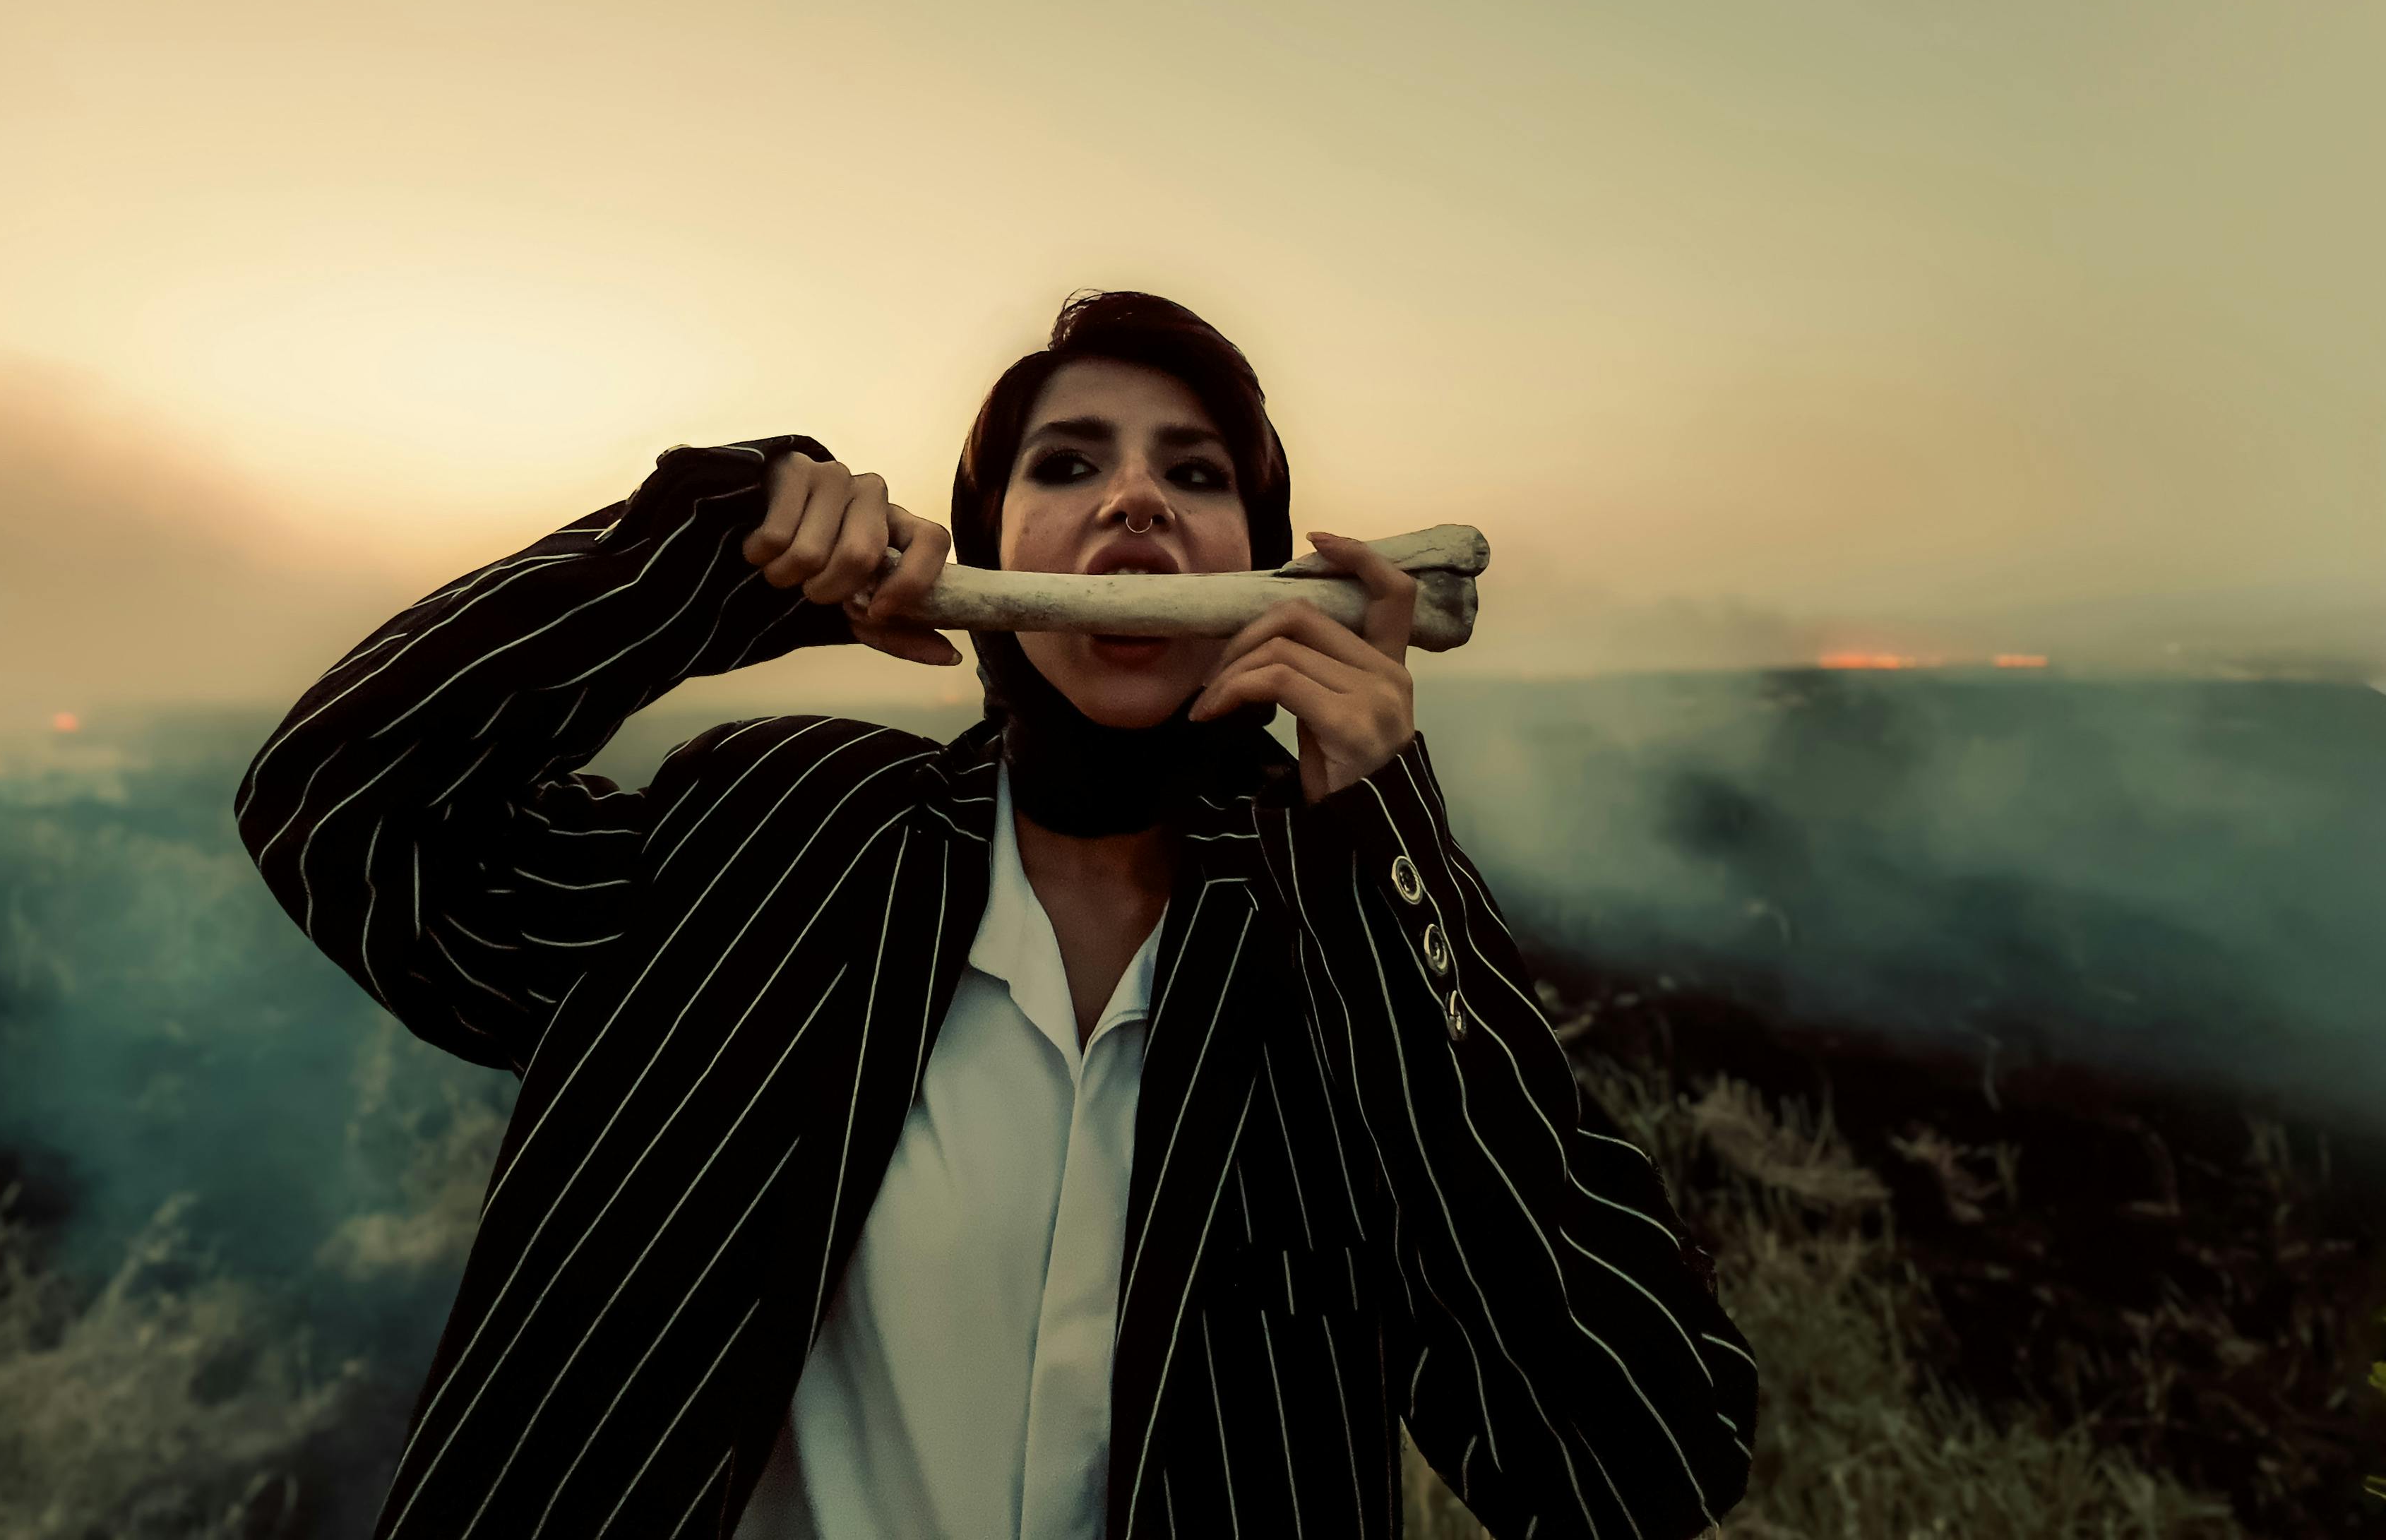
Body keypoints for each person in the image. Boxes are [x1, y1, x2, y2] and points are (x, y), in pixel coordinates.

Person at [237, 291, 1755, 1540]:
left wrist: (1380, 841)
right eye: (1069, 465)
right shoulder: (769, 838)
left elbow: (1634, 1463)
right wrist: (710, 560)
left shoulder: (1339, 957)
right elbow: (346, 809)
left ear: (1269, 570)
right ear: (981, 553)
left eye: (1199, 475)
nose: (1137, 501)